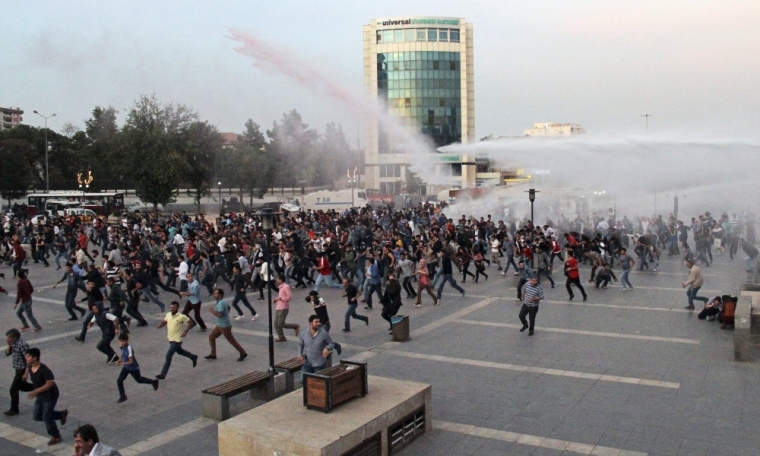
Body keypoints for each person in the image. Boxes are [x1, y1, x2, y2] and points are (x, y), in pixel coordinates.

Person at [24, 347, 68, 446]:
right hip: (40, 395)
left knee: (46, 417)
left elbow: (50, 383)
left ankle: (56, 436)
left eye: (28, 356)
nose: (26, 358)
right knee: (36, 416)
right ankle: (61, 414)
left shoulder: (44, 369)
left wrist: (36, 391)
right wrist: (25, 374)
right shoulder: (31, 366)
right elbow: (27, 366)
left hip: (50, 395)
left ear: (35, 358)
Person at [155, 301, 198, 379]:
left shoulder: (181, 316)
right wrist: (161, 325)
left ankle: (163, 374)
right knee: (180, 351)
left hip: (177, 339)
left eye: (174, 307)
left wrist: (185, 331)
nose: (172, 309)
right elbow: (165, 321)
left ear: (177, 308)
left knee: (168, 356)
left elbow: (190, 322)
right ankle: (193, 357)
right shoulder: (168, 314)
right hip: (170, 338)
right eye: (171, 307)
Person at [115, 333, 159, 403]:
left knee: (139, 380)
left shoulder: (129, 348)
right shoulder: (121, 346)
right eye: (120, 341)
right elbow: (122, 353)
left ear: (127, 341)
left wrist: (121, 363)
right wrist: (120, 359)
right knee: (119, 380)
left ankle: (153, 382)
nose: (121, 343)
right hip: (126, 367)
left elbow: (131, 361)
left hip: (133, 368)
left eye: (123, 341)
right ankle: (123, 396)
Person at [206, 288, 247, 361]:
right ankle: (213, 354)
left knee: (231, 340)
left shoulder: (221, 302)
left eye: (216, 294)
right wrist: (226, 313)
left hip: (225, 326)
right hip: (219, 325)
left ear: (220, 295)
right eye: (214, 293)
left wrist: (211, 311)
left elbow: (219, 314)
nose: (214, 295)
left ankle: (243, 352)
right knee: (211, 337)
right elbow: (228, 307)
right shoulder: (220, 302)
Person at [4, 328, 31, 416]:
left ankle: (14, 409)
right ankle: (39, 386)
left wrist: (26, 373)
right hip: (17, 369)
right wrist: (9, 345)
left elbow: (28, 360)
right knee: (22, 386)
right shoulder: (13, 344)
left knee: (13, 390)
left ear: (14, 337)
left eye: (9, 337)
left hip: (22, 370)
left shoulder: (22, 345)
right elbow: (7, 353)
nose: (7, 339)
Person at [274, 274, 300, 341]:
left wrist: (281, 299)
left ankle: (295, 326)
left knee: (280, 323)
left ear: (281, 280)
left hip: (283, 307)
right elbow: (281, 296)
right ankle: (281, 337)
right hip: (278, 307)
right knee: (276, 324)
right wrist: (276, 299)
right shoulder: (280, 287)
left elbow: (290, 296)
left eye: (278, 279)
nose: (277, 280)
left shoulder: (286, 287)